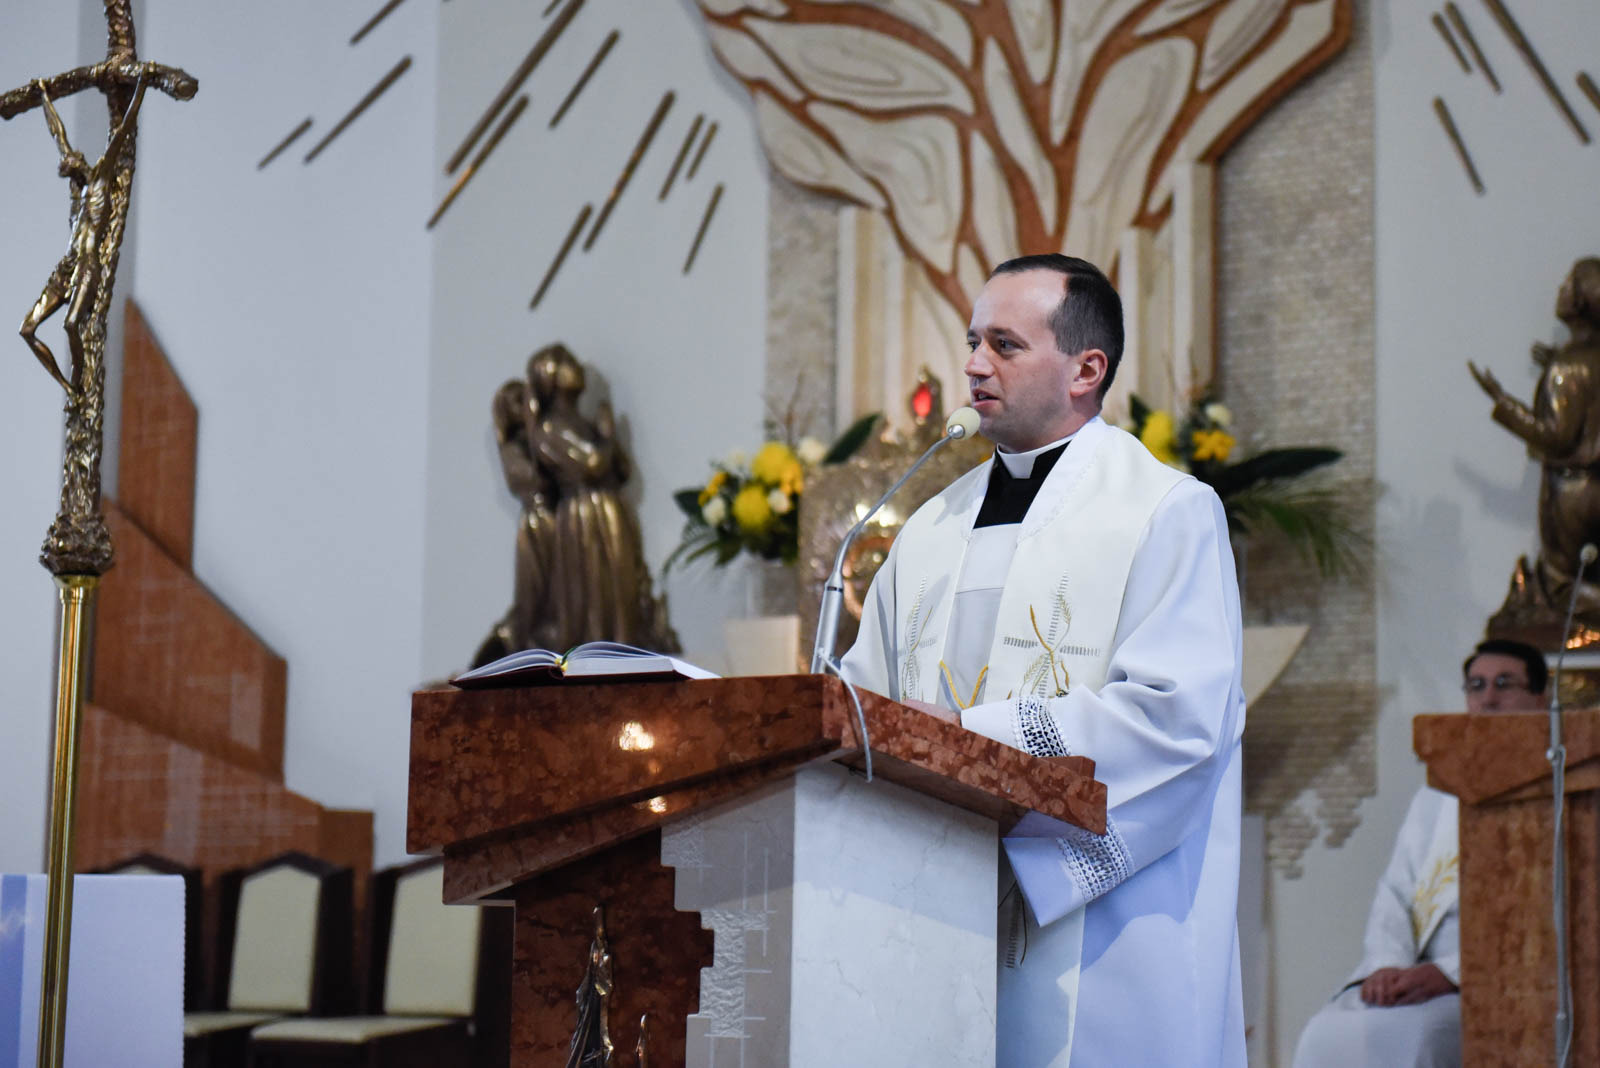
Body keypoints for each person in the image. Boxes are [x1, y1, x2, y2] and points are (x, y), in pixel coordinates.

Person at [840, 253, 1246, 1065]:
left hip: (1104, 944)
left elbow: (1176, 723)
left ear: (1086, 370)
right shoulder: (928, 527)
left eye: (1004, 344)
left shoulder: (1165, 511)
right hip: (929, 903)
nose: (973, 365)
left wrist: (967, 737)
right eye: (972, 341)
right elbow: (863, 699)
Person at [1291, 638, 1549, 1068]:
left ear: (1540, 699)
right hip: (1413, 969)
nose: (1488, 699)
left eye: (1504, 684)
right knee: (1323, 1034)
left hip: (1496, 980)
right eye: (1476, 685)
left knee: (1417, 1040)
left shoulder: (1561, 793)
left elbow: (1551, 916)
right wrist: (1387, 966)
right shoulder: (1441, 786)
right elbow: (1396, 890)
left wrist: (1450, 973)